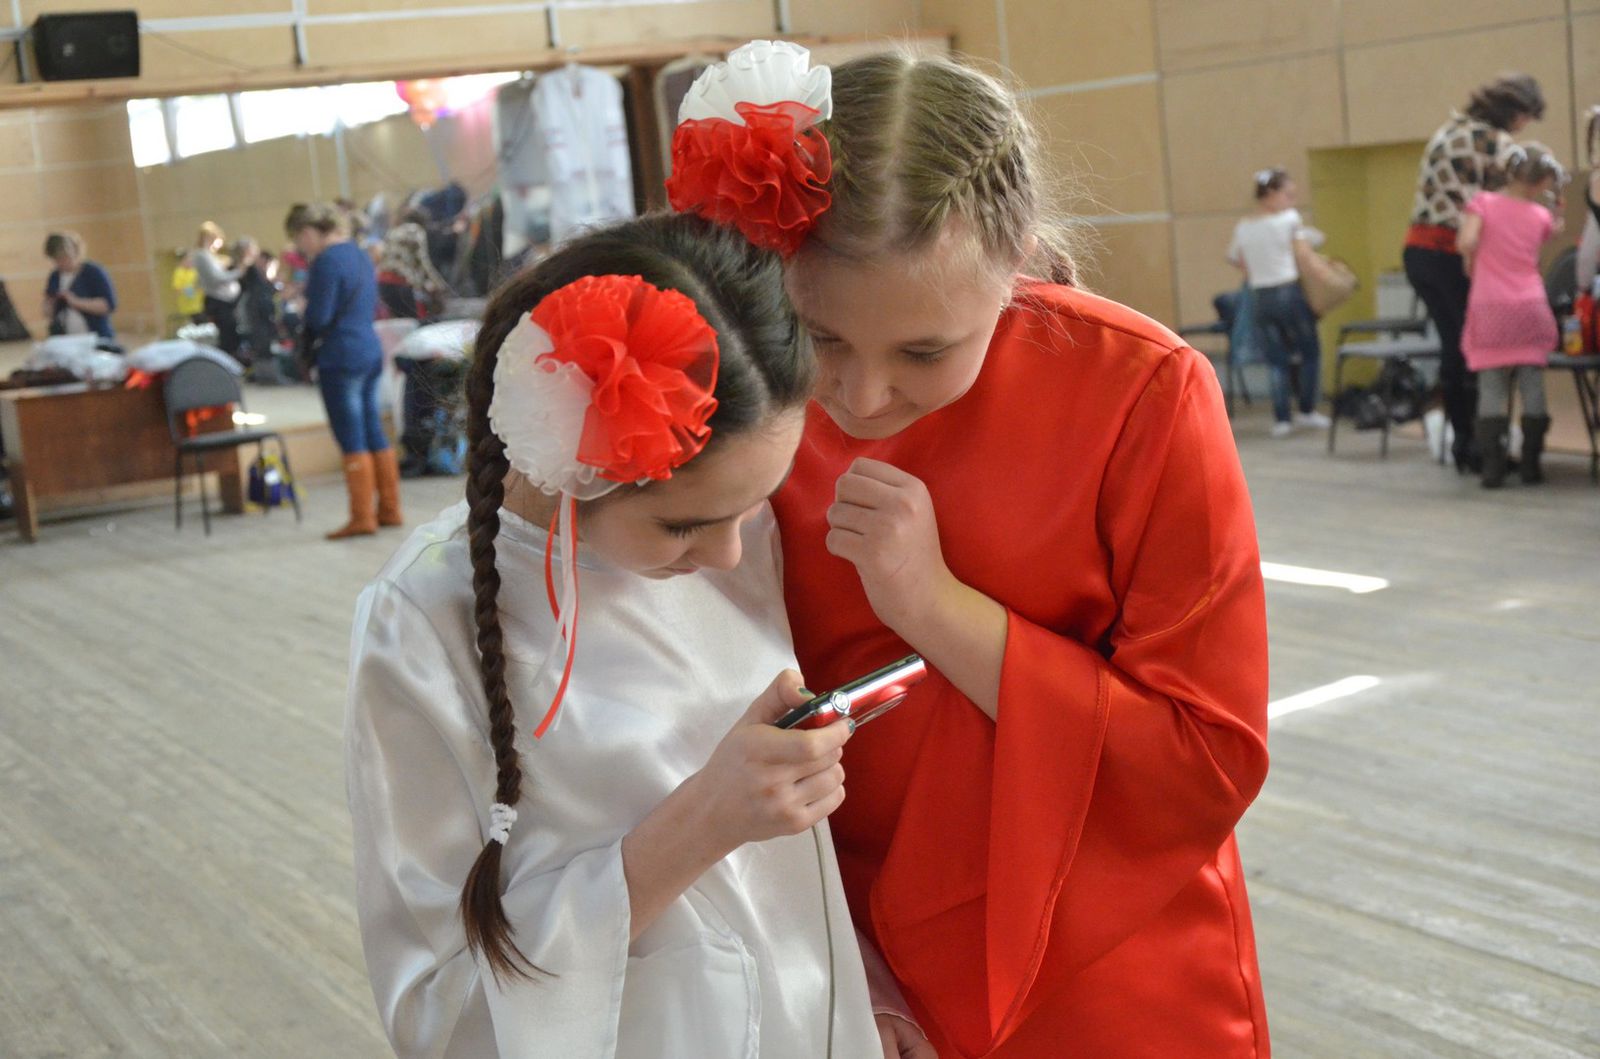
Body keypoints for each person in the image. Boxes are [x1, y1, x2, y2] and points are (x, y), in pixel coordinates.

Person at [676, 47, 1271, 1057]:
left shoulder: (1140, 390)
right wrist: (846, 961)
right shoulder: (744, 392)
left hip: (1104, 946)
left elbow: (1203, 756)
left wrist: (937, 607)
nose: (862, 397)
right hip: (836, 933)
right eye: (822, 337)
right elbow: (681, 699)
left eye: (924, 352)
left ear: (1016, 263)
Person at [343, 212, 880, 1058]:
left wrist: (865, 981)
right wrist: (699, 823)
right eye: (682, 525)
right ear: (570, 459)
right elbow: (438, 1010)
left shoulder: (744, 539)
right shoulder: (424, 621)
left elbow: (782, 878)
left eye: (752, 506)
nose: (729, 552)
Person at [1404, 74, 1545, 472]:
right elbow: (1508, 206)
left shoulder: (1448, 130)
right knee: (1474, 351)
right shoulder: (1497, 143)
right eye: (1526, 117)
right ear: (1514, 112)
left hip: (1418, 251)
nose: (1523, 126)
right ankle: (1478, 448)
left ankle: (1464, 443)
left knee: (1455, 347)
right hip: (1451, 254)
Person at [285, 202, 404, 538]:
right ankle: (390, 509)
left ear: (310, 231)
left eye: (299, 237)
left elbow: (320, 316)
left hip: (340, 354)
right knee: (373, 429)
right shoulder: (360, 255)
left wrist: (303, 311)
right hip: (369, 348)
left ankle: (362, 516)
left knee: (350, 435)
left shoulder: (326, 261)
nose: (300, 246)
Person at [1459, 144, 1566, 488]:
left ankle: (1493, 468)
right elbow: (1548, 234)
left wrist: (1471, 258)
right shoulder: (1540, 215)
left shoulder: (1484, 204)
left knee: (1491, 385)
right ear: (1541, 182)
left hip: (1490, 305)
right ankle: (1532, 464)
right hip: (1530, 305)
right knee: (1531, 382)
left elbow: (1467, 240)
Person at [1228, 167, 1330, 437]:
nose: (1291, 201)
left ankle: (1282, 418)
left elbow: (1236, 259)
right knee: (1310, 351)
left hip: (1260, 297)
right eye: (1288, 194)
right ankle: (1306, 409)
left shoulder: (1244, 227)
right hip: (1288, 292)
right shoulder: (1289, 219)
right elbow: (1304, 255)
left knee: (1276, 360)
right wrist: (1326, 278)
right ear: (1271, 194)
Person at [193, 221, 254, 360]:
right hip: (219, 301)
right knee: (228, 335)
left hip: (226, 300)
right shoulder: (202, 255)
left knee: (231, 333)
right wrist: (239, 271)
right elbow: (216, 278)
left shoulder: (210, 256)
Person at [375, 207, 450, 319]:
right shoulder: (416, 231)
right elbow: (423, 262)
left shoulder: (394, 231)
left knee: (399, 320)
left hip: (383, 283)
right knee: (414, 321)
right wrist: (440, 285)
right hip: (400, 283)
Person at [41, 231, 116, 341]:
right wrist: (50, 304)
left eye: (64, 257)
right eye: (57, 259)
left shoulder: (94, 272)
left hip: (95, 337)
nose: (61, 263)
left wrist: (75, 302)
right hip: (64, 338)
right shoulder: (55, 276)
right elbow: (48, 310)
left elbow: (108, 305)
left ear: (75, 252)